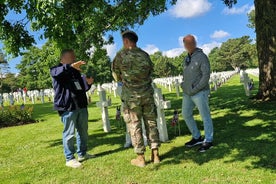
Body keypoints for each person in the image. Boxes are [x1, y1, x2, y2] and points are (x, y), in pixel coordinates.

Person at [112, 31, 160, 167]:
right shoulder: (145, 55)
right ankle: (155, 154)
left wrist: (126, 80)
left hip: (131, 97)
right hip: (147, 94)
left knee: (134, 125)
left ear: (126, 41)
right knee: (151, 123)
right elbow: (151, 71)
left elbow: (116, 74)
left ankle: (140, 158)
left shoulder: (121, 56)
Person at [50, 49, 95, 168]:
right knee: (69, 133)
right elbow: (57, 73)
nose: (74, 60)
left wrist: (88, 83)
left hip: (81, 105)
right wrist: (69, 66)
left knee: (83, 132)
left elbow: (82, 88)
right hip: (67, 107)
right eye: (72, 58)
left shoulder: (76, 72)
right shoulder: (56, 70)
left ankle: (82, 153)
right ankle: (69, 158)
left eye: (74, 58)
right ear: (63, 59)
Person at [181, 35, 214, 152]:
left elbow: (206, 75)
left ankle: (208, 140)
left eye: (192, 42)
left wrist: (196, 88)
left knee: (205, 116)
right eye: (187, 43)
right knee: (185, 114)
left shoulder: (202, 57)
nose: (190, 45)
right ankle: (197, 137)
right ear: (184, 45)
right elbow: (186, 75)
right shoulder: (186, 59)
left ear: (195, 43)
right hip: (188, 93)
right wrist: (183, 85)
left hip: (200, 91)